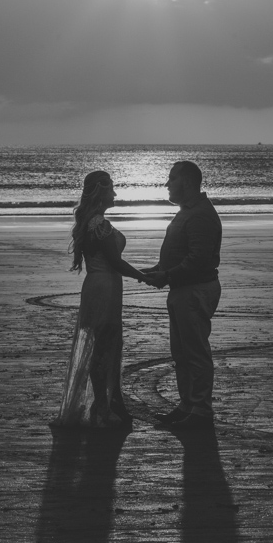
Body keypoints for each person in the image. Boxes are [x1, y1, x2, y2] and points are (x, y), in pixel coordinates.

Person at [52, 171, 150, 428]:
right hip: (105, 287)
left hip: (99, 285)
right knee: (105, 347)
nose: (115, 194)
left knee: (105, 345)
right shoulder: (99, 225)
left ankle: (107, 404)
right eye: (112, 189)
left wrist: (142, 272)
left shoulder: (92, 223)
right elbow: (115, 262)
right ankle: (102, 409)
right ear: (100, 192)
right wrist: (145, 277)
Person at [143, 161, 223, 431]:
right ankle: (187, 405)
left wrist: (166, 275)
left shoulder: (199, 214)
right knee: (182, 353)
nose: (166, 184)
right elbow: (183, 256)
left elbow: (198, 260)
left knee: (195, 352)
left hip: (195, 289)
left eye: (171, 179)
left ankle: (200, 409)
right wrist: (157, 271)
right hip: (183, 288)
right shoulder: (188, 211)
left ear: (186, 182)